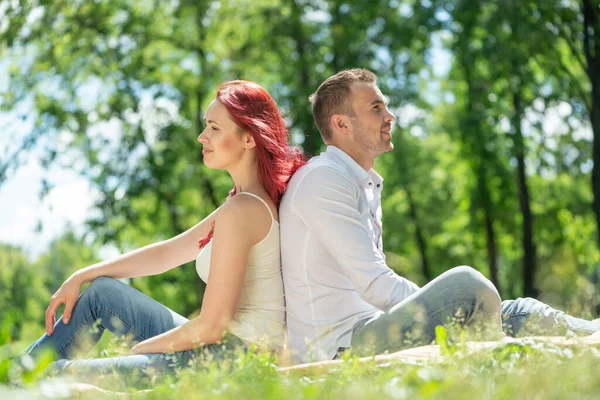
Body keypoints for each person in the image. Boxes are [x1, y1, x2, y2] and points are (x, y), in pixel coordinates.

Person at [279, 68, 600, 364]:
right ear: (342, 124)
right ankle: (493, 360)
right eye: (376, 108)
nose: (389, 116)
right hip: (339, 349)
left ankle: (592, 335)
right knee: (468, 286)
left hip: (374, 327)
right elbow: (376, 285)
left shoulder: (360, 182)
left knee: (519, 311)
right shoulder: (324, 179)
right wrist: (444, 305)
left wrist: (444, 307)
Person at [21, 80, 306, 378]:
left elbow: (212, 326)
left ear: (249, 139)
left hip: (234, 360)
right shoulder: (240, 203)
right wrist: (82, 275)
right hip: (221, 348)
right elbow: (167, 254)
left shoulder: (244, 210)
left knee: (55, 375)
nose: (201, 137)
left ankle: (14, 380)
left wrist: (141, 351)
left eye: (214, 128)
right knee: (101, 292)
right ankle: (12, 377)